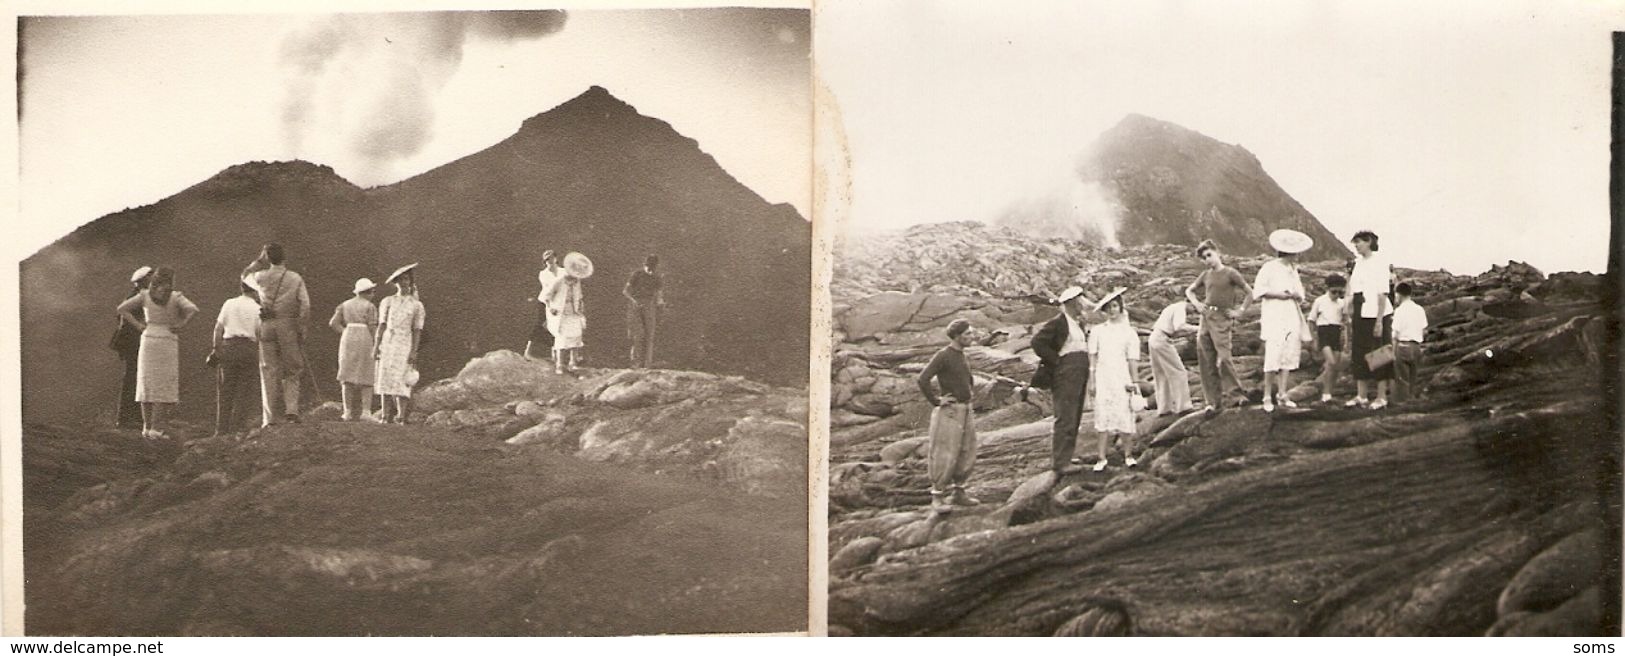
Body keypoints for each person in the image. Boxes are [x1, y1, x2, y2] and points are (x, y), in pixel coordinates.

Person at [1031, 285, 1108, 475]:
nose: (1082, 304)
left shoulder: (1078, 322)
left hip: (1079, 370)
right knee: (1065, 416)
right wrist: (1056, 361)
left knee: (1075, 415)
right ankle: (1060, 462)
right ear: (1072, 303)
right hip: (1066, 372)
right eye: (1079, 301)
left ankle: (1066, 456)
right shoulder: (1059, 322)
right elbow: (1037, 342)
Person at [115, 267, 198, 439]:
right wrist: (182, 324)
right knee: (163, 381)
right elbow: (193, 310)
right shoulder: (175, 297)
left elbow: (122, 309)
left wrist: (139, 325)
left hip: (148, 338)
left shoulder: (144, 295)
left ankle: (146, 426)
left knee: (146, 380)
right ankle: (157, 426)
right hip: (167, 338)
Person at [242, 243, 311, 426]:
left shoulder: (261, 276)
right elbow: (305, 305)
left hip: (266, 326)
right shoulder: (295, 278)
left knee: (268, 371)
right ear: (284, 258)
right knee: (293, 369)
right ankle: (291, 411)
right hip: (287, 325)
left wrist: (258, 261)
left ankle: (269, 418)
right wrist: (302, 326)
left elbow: (244, 276)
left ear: (268, 258)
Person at [917, 318, 981, 513]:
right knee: (945, 452)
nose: (972, 337)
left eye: (971, 333)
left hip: (965, 409)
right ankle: (937, 497)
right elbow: (923, 379)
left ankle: (959, 492)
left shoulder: (961, 354)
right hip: (951, 411)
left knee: (966, 450)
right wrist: (937, 401)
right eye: (968, 334)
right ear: (957, 336)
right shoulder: (943, 355)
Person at [1185, 240, 1253, 412]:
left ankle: (1237, 395)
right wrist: (1197, 305)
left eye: (1209, 255)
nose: (1207, 260)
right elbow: (1189, 290)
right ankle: (1213, 402)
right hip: (1206, 318)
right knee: (1206, 359)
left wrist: (1240, 311)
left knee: (1223, 358)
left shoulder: (1231, 273)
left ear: (1217, 252)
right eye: (1204, 258)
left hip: (1222, 318)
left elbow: (1249, 292)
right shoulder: (1205, 275)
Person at [1253, 229, 1312, 412]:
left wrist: (1295, 295)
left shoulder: (1293, 270)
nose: (1297, 255)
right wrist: (1280, 295)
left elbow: (1301, 295)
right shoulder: (1270, 267)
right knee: (1274, 353)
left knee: (1288, 352)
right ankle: (1266, 396)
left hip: (1291, 314)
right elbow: (1258, 292)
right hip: (1275, 314)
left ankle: (1282, 393)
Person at [1087, 289, 1142, 472]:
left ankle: (1128, 455)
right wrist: (1092, 381)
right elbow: (1093, 359)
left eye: (1115, 306)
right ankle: (1101, 458)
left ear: (1120, 307)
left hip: (1121, 377)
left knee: (1125, 416)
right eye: (1108, 307)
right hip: (1103, 377)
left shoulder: (1129, 333)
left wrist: (1134, 383)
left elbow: (1132, 360)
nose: (1112, 310)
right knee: (1102, 416)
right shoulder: (1097, 331)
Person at [1346, 230, 1394, 410]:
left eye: (1359, 242)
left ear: (1368, 242)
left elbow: (1382, 293)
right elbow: (1353, 289)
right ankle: (1361, 395)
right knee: (1359, 353)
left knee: (1380, 353)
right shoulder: (1358, 263)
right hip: (1360, 311)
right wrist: (1349, 308)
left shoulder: (1380, 262)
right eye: (1355, 242)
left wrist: (1380, 321)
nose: (1356, 246)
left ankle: (1381, 397)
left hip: (1376, 312)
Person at [375, 264, 425, 424]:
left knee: (402, 377)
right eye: (401, 279)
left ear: (411, 282)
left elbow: (417, 329)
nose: (404, 283)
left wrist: (414, 351)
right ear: (395, 282)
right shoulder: (387, 301)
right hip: (389, 341)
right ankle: (384, 415)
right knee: (385, 374)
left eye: (407, 279)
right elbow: (382, 325)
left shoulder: (416, 305)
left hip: (405, 342)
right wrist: (376, 346)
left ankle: (401, 416)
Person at [210, 281, 261, 437]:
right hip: (248, 349)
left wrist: (216, 350)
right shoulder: (257, 308)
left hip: (229, 347)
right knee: (244, 391)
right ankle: (238, 429)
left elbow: (218, 329)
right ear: (255, 291)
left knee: (225, 391)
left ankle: (221, 430)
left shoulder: (229, 303)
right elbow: (259, 333)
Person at [330, 278, 380, 421]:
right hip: (365, 337)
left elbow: (333, 323)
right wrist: (377, 343)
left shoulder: (344, 305)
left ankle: (347, 412)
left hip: (348, 337)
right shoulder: (370, 306)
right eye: (372, 291)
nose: (373, 294)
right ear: (367, 292)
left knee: (347, 373)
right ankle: (366, 412)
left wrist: (345, 332)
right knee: (367, 373)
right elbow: (372, 326)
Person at [112, 266, 153, 429]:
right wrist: (140, 327)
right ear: (142, 281)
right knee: (133, 378)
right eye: (150, 278)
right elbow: (122, 314)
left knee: (135, 377)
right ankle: (127, 418)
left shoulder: (136, 296)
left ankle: (130, 417)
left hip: (132, 342)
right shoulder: (137, 297)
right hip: (132, 343)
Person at [1147, 299, 1198, 416]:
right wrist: (1198, 328)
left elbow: (1174, 329)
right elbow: (1179, 326)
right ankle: (1184, 406)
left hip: (1154, 338)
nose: (1193, 313)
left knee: (1161, 375)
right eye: (1194, 308)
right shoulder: (1181, 308)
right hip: (1162, 339)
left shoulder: (1172, 307)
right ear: (1189, 302)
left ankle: (1164, 408)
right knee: (1179, 371)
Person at [546, 252, 593, 374]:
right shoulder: (558, 281)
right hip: (561, 313)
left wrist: (581, 306)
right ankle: (560, 365)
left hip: (574, 313)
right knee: (562, 339)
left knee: (576, 338)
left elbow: (579, 297)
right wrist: (551, 308)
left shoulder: (577, 283)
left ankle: (573, 363)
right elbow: (547, 296)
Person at [1306, 274, 1350, 403]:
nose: (1336, 294)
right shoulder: (1320, 301)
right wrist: (1313, 339)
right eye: (1333, 291)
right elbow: (1311, 320)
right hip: (1323, 331)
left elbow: (1346, 321)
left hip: (1336, 332)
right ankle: (1325, 393)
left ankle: (1328, 392)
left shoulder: (1342, 303)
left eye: (1339, 292)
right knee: (1331, 362)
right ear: (1327, 288)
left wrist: (1346, 339)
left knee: (1335, 366)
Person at [623, 254, 665, 369]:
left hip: (649, 305)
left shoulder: (657, 277)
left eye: (652, 267)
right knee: (638, 334)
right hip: (635, 304)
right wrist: (634, 301)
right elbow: (626, 291)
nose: (649, 269)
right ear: (645, 265)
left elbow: (659, 294)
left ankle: (647, 364)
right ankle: (635, 363)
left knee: (650, 334)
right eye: (648, 266)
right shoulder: (637, 274)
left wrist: (660, 304)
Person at [1390, 282, 1429, 404]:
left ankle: (1402, 404)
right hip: (1417, 346)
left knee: (1401, 379)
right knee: (1413, 376)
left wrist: (1392, 352)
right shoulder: (1419, 309)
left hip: (1403, 346)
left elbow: (1395, 334)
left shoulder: (1399, 311)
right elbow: (1424, 330)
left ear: (1399, 295)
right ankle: (1411, 400)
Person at [525, 250, 561, 361]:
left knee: (557, 327)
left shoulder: (563, 272)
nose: (549, 261)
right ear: (544, 262)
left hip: (559, 303)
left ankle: (554, 356)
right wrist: (550, 307)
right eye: (547, 259)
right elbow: (548, 291)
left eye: (551, 257)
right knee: (541, 324)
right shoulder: (543, 274)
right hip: (545, 303)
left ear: (556, 258)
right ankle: (528, 352)